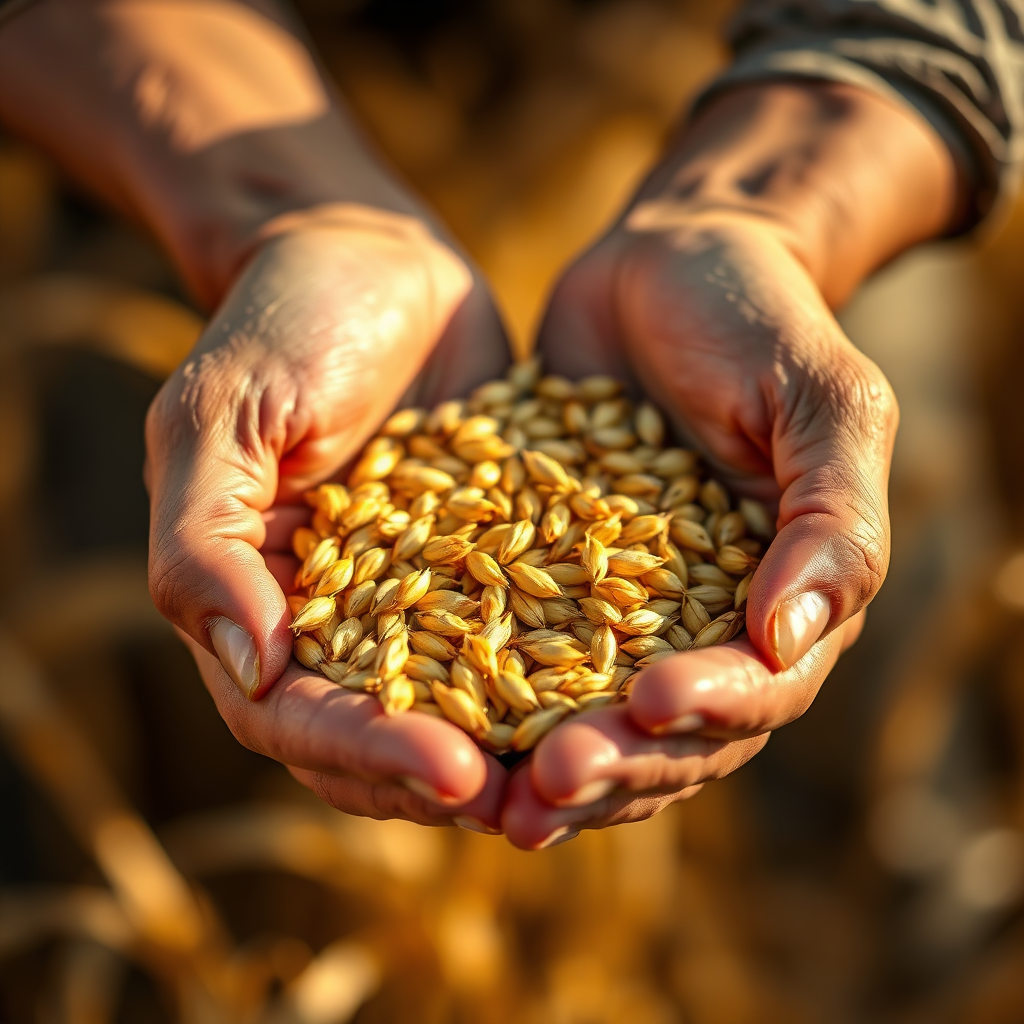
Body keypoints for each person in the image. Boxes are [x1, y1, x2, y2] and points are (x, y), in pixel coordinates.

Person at [0, 0, 1015, 849]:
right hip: (157, 118)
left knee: (885, 728)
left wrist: (766, 214)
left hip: (716, 67)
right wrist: (279, 209)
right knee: (142, 710)